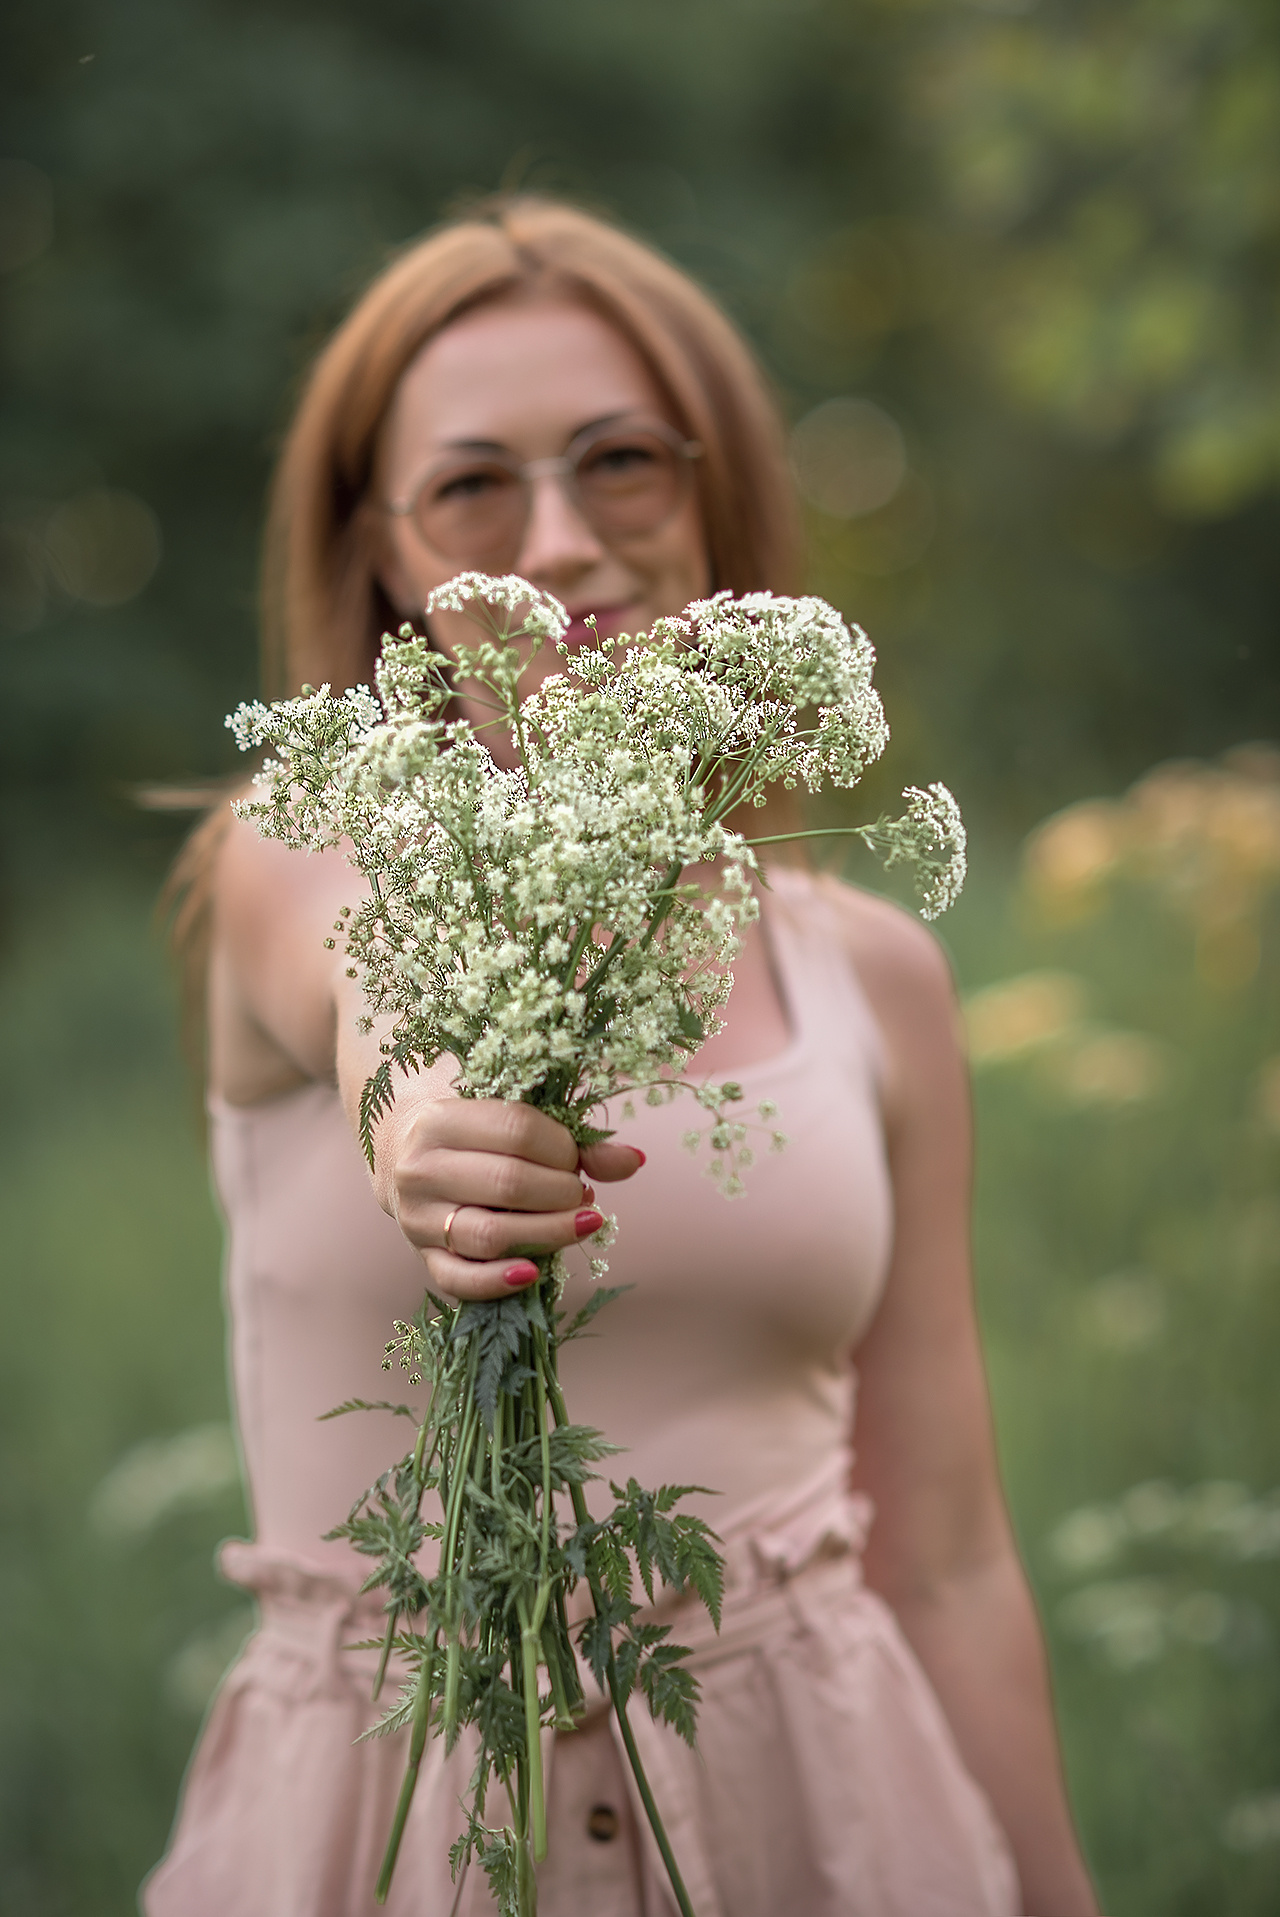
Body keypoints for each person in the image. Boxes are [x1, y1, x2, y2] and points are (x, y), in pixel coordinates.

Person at [144, 196, 1101, 1917]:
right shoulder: (296, 849)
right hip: (385, 1834)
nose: (561, 541)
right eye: (474, 486)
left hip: (830, 1823)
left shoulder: (877, 977)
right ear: (382, 550)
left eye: (621, 462)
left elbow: (949, 1558)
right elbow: (372, 1009)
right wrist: (420, 1119)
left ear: (713, 489)